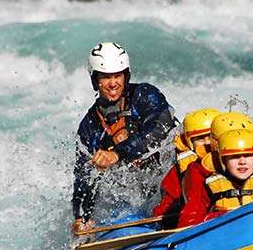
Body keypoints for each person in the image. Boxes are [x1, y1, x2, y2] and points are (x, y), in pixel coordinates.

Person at [72, 42, 176, 234]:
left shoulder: (145, 95)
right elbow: (83, 178)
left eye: (118, 75)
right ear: (96, 81)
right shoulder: (89, 127)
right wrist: (81, 217)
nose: (113, 83)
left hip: (170, 180)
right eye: (105, 77)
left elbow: (160, 128)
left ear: (126, 76)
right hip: (136, 197)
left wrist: (118, 154)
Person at [178, 128, 253, 227]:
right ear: (223, 161)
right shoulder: (209, 185)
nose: (242, 162)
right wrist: (219, 217)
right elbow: (188, 220)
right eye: (234, 156)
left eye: (248, 155)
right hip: (227, 234)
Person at [151, 107, 220, 221]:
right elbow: (167, 203)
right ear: (189, 143)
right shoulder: (179, 172)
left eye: (211, 137)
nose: (207, 143)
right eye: (200, 139)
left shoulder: (238, 161)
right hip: (193, 217)